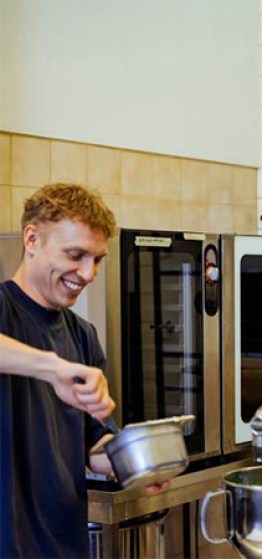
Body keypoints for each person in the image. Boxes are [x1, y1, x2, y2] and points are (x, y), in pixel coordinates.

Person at [0, 183, 165, 558]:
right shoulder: (4, 311)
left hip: (64, 545)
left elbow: (95, 446)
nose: (88, 273)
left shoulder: (82, 335)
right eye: (75, 255)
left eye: (97, 259)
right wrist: (52, 368)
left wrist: (137, 463)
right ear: (31, 239)